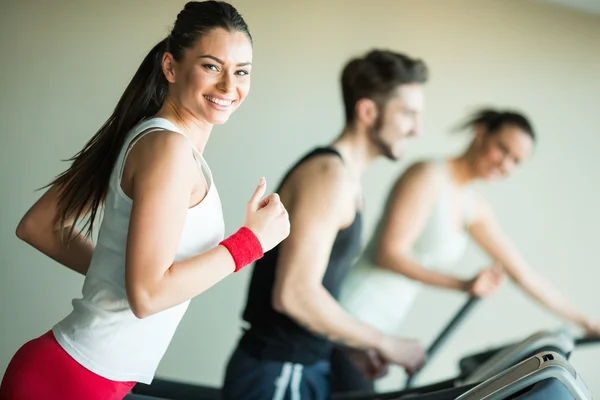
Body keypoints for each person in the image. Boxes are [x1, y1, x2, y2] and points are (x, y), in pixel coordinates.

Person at [0, 2, 290, 400]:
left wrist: (120, 275)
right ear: (171, 67)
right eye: (211, 66)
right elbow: (149, 295)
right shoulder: (166, 148)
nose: (228, 86)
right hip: (71, 381)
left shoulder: (158, 141)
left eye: (241, 72)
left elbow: (39, 226)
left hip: (81, 375)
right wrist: (249, 243)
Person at [332, 108, 600, 392]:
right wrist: (463, 284)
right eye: (502, 149)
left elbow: (525, 275)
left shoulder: (472, 205)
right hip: (352, 310)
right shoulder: (428, 176)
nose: (506, 164)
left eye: (516, 161)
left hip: (382, 324)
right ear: (481, 132)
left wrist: (588, 323)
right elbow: (388, 254)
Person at [221, 49, 429, 400]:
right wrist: (384, 341)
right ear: (367, 111)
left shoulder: (345, 178)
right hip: (280, 369)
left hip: (300, 366)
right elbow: (294, 294)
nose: (417, 129)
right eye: (408, 114)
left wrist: (351, 346)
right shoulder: (329, 177)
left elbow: (315, 290)